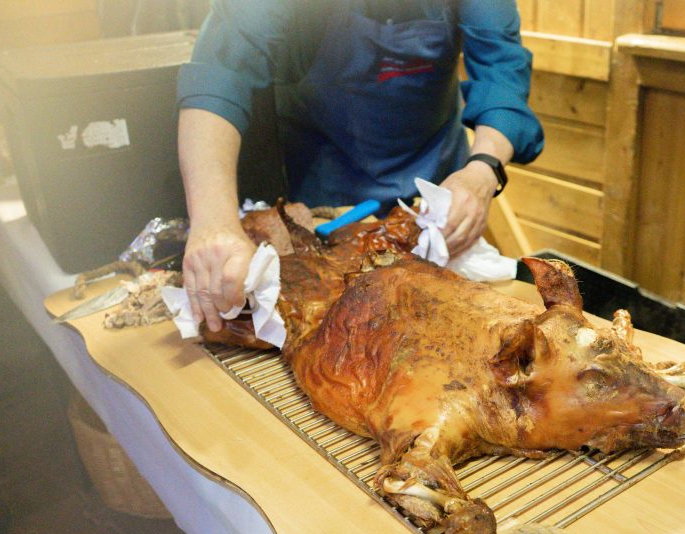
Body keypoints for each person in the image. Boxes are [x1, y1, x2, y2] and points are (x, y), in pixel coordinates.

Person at [176, 0, 544, 332]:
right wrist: (213, 222)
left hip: (438, 193)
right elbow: (219, 74)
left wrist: (482, 170)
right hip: (328, 197)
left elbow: (502, 72)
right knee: (338, 324)